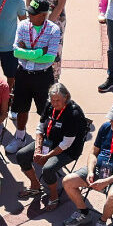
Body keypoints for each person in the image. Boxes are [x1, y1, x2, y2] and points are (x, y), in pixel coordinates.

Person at [15, 81, 88, 211]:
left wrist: (46, 156)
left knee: (48, 169)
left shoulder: (73, 114)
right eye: (52, 100)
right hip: (49, 141)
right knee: (21, 155)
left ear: (66, 97)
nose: (54, 103)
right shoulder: (49, 105)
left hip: (68, 150)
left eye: (58, 100)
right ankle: (35, 186)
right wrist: (38, 148)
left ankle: (54, 197)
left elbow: (66, 144)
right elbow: (40, 126)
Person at [5, 0, 62, 156]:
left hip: (43, 77)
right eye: (29, 12)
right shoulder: (23, 26)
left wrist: (27, 52)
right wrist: (38, 52)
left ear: (44, 15)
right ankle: (20, 137)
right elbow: (16, 52)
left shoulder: (54, 30)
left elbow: (50, 58)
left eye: (33, 14)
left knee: (45, 111)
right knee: (21, 108)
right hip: (23, 73)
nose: (29, 16)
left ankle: (46, 140)